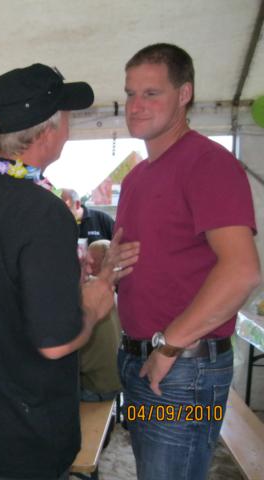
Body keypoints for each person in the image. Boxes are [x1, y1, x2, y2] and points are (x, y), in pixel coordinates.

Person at [0, 63, 139, 479]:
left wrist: (64, 279)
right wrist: (95, 304)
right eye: (67, 116)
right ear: (48, 131)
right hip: (21, 438)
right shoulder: (43, 211)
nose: (69, 126)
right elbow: (55, 342)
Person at [116, 43, 260, 480]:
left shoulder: (207, 163)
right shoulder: (138, 176)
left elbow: (242, 271)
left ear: (184, 94)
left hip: (183, 368)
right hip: (141, 359)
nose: (136, 106)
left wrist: (169, 346)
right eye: (130, 94)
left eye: (151, 93)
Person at [79, 240, 122, 402]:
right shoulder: (110, 291)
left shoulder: (84, 293)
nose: (91, 267)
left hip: (97, 387)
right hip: (118, 379)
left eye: (93, 262)